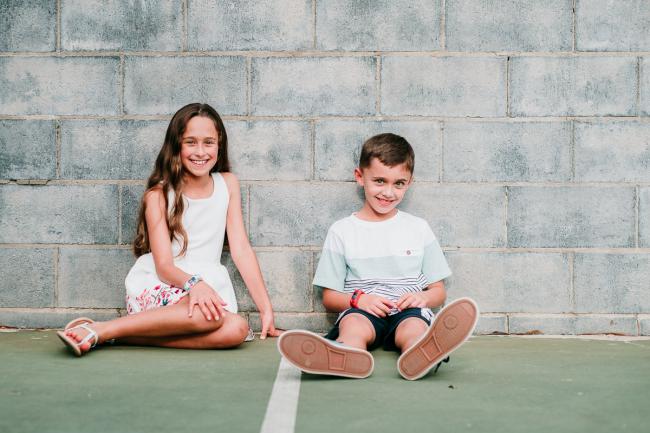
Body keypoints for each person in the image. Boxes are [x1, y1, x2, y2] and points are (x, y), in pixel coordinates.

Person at [58, 103, 281, 356]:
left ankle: (117, 336)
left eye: (209, 142)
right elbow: (164, 266)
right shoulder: (158, 195)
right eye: (190, 142)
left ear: (220, 144)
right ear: (176, 145)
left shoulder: (228, 184)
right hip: (165, 282)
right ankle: (104, 329)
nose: (200, 151)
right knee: (205, 315)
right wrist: (194, 284)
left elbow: (240, 249)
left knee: (237, 329)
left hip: (205, 288)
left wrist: (265, 309)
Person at [278, 133, 478, 380]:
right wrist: (358, 300)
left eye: (399, 183)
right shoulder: (342, 231)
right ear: (360, 177)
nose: (389, 192)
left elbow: (439, 292)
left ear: (410, 182)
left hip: (407, 312)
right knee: (353, 327)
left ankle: (422, 353)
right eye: (380, 181)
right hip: (363, 311)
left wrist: (423, 296)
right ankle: (346, 355)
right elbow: (329, 297)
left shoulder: (418, 228)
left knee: (414, 329)